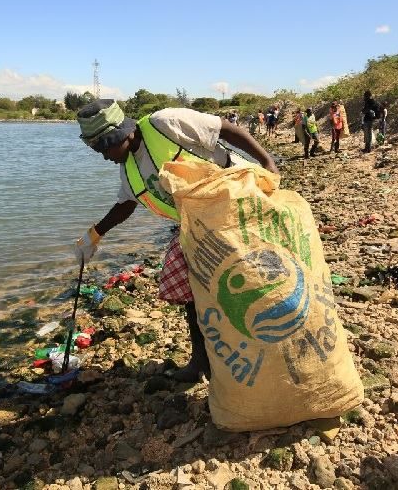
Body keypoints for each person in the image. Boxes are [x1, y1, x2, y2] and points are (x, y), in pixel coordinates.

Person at [73, 99, 279, 382]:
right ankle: (200, 362)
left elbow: (225, 129)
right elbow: (125, 205)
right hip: (198, 225)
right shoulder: (129, 170)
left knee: (255, 279)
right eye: (97, 149)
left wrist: (267, 163)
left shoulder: (166, 123)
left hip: (237, 200)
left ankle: (270, 349)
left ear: (122, 133)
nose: (104, 155)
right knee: (189, 288)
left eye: (105, 146)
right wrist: (94, 235)